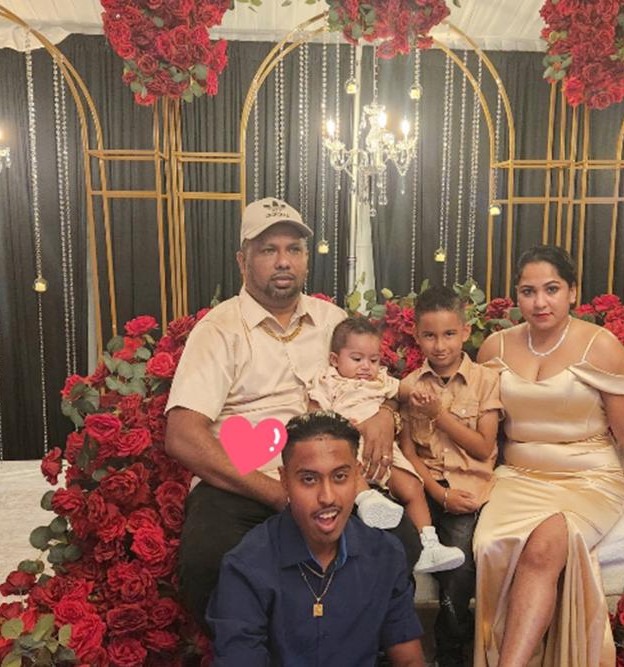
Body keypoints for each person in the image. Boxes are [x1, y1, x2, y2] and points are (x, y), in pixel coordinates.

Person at [164, 197, 421, 630]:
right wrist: (277, 494)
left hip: (332, 473)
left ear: (305, 259)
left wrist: (385, 413)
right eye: (268, 249)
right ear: (242, 260)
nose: (283, 261)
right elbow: (182, 434)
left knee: (397, 543)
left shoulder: (332, 320)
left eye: (294, 249)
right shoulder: (218, 330)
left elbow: (376, 382)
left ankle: (350, 649)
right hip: (244, 479)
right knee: (210, 561)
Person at [472, 246, 624, 667]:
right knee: (490, 545)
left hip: (587, 478)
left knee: (543, 548)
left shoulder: (602, 347)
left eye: (551, 289)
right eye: (528, 291)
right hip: (518, 476)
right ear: (517, 296)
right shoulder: (494, 349)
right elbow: (481, 431)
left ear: (573, 292)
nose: (540, 302)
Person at [210, 411, 426, 666]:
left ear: (357, 475)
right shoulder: (247, 565)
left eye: (340, 477)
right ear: (284, 480)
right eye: (309, 480)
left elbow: (409, 660)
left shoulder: (384, 554)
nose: (327, 497)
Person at [309, 316, 466, 574]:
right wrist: (337, 424)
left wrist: (417, 394)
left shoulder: (381, 380)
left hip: (386, 451)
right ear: (335, 360)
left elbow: (401, 392)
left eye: (373, 360)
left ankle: (429, 544)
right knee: (349, 468)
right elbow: (314, 413)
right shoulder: (329, 381)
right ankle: (367, 500)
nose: (366, 367)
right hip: (347, 445)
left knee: (412, 486)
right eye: (357, 359)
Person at [397, 286, 503, 667]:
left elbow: (483, 447)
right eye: (429, 335)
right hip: (424, 490)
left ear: (465, 331)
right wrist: (438, 495)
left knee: (457, 566)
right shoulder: (410, 386)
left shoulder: (486, 380)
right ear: (416, 335)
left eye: (449, 334)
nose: (439, 345)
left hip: (468, 490)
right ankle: (396, 642)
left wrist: (439, 416)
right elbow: (408, 453)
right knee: (394, 551)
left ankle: (450, 646)